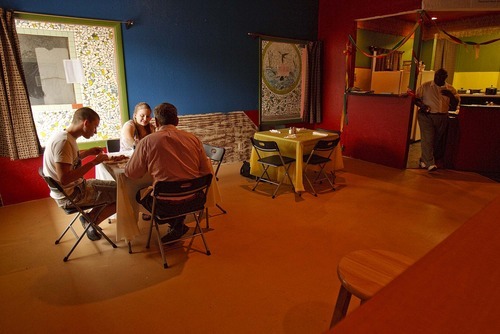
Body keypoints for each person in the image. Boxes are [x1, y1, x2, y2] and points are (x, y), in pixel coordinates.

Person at [125, 102, 212, 243]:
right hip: (194, 200)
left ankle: (176, 224)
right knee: (171, 193)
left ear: (156, 121)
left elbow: (132, 174)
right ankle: (178, 224)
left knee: (139, 194)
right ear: (177, 121)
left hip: (164, 205)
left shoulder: (147, 142)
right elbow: (206, 172)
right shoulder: (193, 139)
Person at [43, 107, 117, 241]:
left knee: (116, 188)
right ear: (86, 123)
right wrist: (94, 162)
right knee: (123, 192)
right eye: (95, 127)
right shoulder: (64, 142)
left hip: (74, 189)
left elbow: (69, 161)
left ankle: (89, 219)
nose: (95, 132)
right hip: (72, 195)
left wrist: (87, 153)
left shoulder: (65, 136)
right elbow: (65, 179)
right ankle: (92, 220)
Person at [414, 68, 460, 172]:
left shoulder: (450, 89)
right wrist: (423, 106)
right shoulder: (425, 86)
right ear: (435, 75)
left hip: (442, 116)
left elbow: (454, 105)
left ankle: (423, 160)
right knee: (428, 138)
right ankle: (430, 164)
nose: (438, 78)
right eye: (437, 76)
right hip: (426, 116)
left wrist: (451, 96)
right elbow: (416, 99)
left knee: (436, 140)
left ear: (445, 77)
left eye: (441, 76)